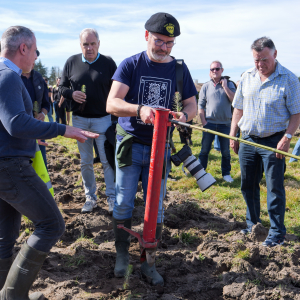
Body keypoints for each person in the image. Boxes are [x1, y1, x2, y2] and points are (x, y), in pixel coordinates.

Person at [0, 25, 98, 299]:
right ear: (23, 48)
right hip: (10, 167)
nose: (35, 56)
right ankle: (13, 295)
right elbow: (16, 123)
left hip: (5, 163)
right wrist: (62, 129)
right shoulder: (9, 77)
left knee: (5, 238)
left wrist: (32, 137)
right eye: (34, 50)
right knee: (52, 224)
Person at [107, 12, 197, 286]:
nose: (164, 48)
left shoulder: (180, 69)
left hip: (161, 148)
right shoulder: (131, 65)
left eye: (170, 43)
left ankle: (149, 260)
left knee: (155, 205)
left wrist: (185, 116)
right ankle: (122, 255)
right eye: (159, 41)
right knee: (123, 200)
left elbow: (192, 106)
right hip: (131, 144)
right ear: (146, 36)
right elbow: (112, 103)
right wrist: (139, 109)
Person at [229, 36, 300, 247]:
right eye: (256, 60)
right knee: (247, 184)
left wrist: (287, 138)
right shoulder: (247, 77)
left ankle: (277, 232)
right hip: (248, 139)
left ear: (275, 54)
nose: (260, 65)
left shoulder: (289, 79)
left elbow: (297, 114)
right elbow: (238, 108)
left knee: (274, 187)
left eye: (264, 60)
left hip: (274, 141)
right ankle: (253, 224)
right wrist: (234, 133)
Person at [59, 28, 117, 214]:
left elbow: (117, 88)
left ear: (99, 44)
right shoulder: (71, 62)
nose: (89, 48)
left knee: (107, 160)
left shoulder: (108, 63)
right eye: (86, 44)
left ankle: (112, 198)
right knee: (85, 162)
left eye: (93, 44)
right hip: (80, 121)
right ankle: (90, 197)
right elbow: (61, 87)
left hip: (103, 120)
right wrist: (70, 93)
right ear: (80, 45)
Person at [198, 61, 236, 183]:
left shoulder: (229, 84)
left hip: (225, 124)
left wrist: (225, 86)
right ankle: (201, 173)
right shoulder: (205, 86)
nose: (215, 71)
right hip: (209, 124)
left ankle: (226, 174)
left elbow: (234, 101)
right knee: (204, 150)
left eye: (217, 69)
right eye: (212, 69)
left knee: (225, 151)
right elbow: (201, 105)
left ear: (222, 70)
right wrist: (203, 122)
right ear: (210, 71)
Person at [21, 51, 50, 168]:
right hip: (20, 127)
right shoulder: (13, 77)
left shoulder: (39, 79)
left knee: (41, 161)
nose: (33, 60)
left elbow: (46, 103)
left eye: (35, 58)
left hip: (37, 126)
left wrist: (43, 113)